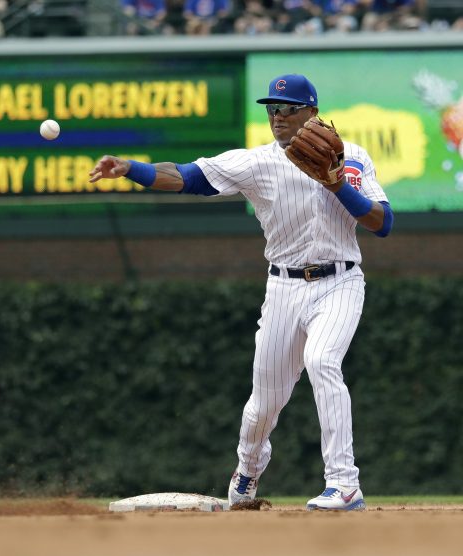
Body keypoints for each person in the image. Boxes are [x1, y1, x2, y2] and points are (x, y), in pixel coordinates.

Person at [89, 74, 393, 511]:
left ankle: (344, 484)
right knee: (262, 407)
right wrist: (130, 168)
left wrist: (336, 184)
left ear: (312, 112)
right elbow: (186, 177)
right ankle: (248, 470)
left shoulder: (351, 158)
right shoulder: (256, 163)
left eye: (287, 109)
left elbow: (383, 224)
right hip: (283, 288)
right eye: (272, 109)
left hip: (340, 282)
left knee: (323, 361)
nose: (278, 117)